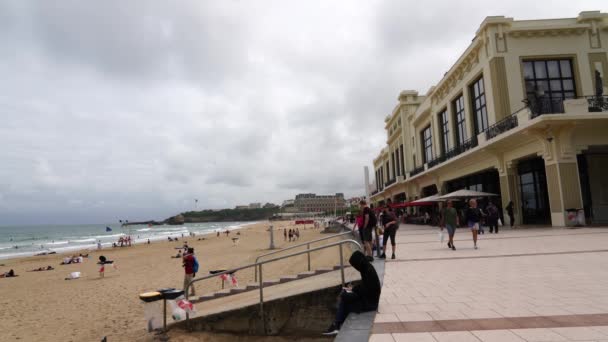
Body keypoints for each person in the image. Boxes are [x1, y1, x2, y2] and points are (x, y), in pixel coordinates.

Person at [323, 251, 381, 336]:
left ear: (359, 262)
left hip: (370, 303)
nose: (355, 267)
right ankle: (336, 325)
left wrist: (353, 290)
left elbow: (366, 290)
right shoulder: (367, 268)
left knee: (345, 297)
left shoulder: (368, 271)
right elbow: (365, 287)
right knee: (345, 296)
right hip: (369, 299)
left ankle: (336, 325)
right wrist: (353, 289)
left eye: (355, 265)